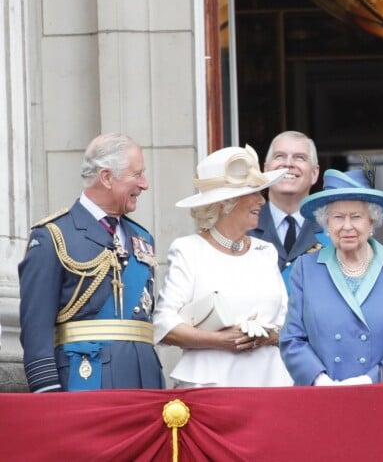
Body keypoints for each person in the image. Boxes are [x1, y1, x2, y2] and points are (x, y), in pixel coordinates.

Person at [18, 133, 164, 392]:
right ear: (106, 177)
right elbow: (36, 327)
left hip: (144, 380)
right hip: (84, 381)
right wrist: (47, 393)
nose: (145, 184)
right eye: (137, 174)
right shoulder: (53, 235)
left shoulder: (142, 238)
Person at [153, 145, 293, 387]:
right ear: (225, 203)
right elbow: (165, 325)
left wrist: (267, 337)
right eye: (253, 193)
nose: (262, 200)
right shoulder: (189, 250)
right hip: (210, 388)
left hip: (269, 385)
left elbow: (287, 324)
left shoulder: (265, 252)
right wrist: (220, 341)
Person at [280, 165, 383, 385]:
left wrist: (370, 380)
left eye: (356, 217)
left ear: (372, 221)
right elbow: (292, 338)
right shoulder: (306, 268)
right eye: (338, 217)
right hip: (321, 396)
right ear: (326, 224)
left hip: (381, 395)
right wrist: (319, 380)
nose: (347, 226)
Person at [248, 131, 323, 291]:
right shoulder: (243, 228)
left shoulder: (332, 229)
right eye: (279, 156)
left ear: (315, 173)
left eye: (299, 157)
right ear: (265, 169)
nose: (288, 164)